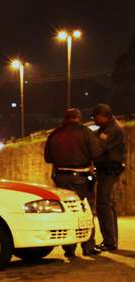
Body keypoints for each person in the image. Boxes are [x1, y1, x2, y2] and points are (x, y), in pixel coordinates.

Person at [44, 108, 103, 258]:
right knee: (86, 210)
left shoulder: (55, 134)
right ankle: (88, 246)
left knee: (67, 211)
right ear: (78, 117)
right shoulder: (85, 132)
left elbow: (48, 157)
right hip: (81, 178)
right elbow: (96, 153)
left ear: (65, 118)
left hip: (61, 178)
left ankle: (69, 248)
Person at [91, 104, 126, 252]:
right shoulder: (104, 129)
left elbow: (99, 147)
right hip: (105, 170)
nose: (94, 119)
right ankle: (111, 241)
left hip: (110, 170)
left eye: (96, 117)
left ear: (104, 115)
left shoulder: (113, 130)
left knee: (103, 203)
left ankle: (110, 241)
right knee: (107, 204)